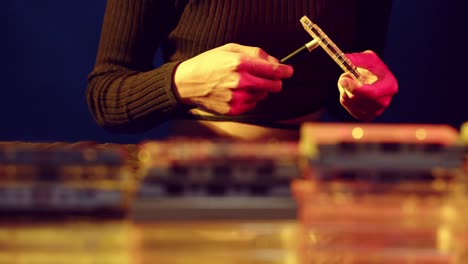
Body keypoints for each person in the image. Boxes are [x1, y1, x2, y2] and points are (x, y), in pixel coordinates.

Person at [86, 0, 398, 140]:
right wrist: (184, 82)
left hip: (310, 188)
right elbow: (105, 97)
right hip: (192, 184)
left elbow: (351, 93)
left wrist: (365, 93)